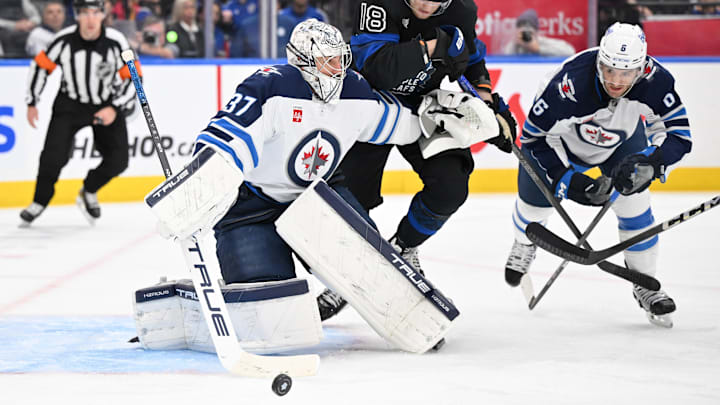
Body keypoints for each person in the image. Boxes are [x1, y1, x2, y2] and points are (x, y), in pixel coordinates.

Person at [315, 0, 518, 320]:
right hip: (370, 106)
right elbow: (377, 66)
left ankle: (404, 247)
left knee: (450, 187)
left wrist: (487, 100)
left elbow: (472, 56)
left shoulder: (462, 9)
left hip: (423, 107)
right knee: (351, 202)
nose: (426, 3)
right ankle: (346, 276)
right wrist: (433, 46)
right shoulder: (380, 2)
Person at [504, 23, 691, 326]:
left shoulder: (657, 82)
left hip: (621, 143)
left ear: (641, 68)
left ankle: (644, 282)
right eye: (609, 70)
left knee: (636, 210)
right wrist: (567, 180)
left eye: (626, 73)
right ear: (599, 62)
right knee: (534, 204)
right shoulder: (567, 87)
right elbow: (533, 139)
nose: (616, 81)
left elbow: (679, 135)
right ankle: (523, 243)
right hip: (560, 144)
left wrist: (652, 162)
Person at [20, 0, 138, 226]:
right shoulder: (64, 39)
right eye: (85, 13)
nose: (91, 19)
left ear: (103, 15)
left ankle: (89, 189)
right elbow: (41, 66)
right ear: (77, 16)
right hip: (70, 104)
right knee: (52, 158)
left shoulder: (116, 41)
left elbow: (135, 78)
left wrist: (115, 107)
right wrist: (32, 101)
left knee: (118, 160)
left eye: (95, 13)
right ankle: (39, 202)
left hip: (105, 103)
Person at [503, 9, 575, 57]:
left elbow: (570, 51)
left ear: (536, 31)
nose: (526, 33)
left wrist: (538, 49)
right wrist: (516, 43)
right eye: (521, 27)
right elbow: (506, 58)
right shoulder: (515, 45)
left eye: (530, 29)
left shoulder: (542, 42)